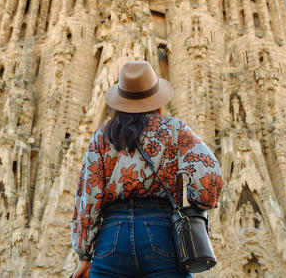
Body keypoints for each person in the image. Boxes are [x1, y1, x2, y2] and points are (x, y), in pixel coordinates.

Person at [71, 61, 224, 278]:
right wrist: (195, 203)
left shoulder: (103, 136)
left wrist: (84, 255)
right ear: (156, 99)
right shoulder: (174, 129)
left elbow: (88, 197)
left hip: (112, 236)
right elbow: (210, 177)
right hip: (162, 231)